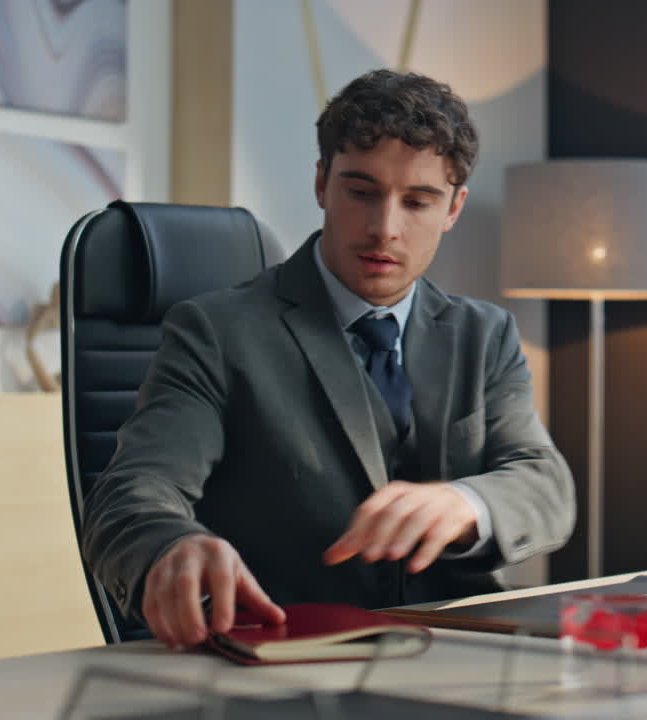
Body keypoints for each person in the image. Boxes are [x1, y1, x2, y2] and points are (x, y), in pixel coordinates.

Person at [81, 69, 575, 650]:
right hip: (286, 661)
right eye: (360, 192)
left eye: (417, 201)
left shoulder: (484, 333)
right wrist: (170, 545)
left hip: (456, 653)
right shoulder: (215, 330)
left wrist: (464, 502)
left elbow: (544, 484)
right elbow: (133, 491)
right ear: (322, 184)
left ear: (454, 208)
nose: (384, 229)